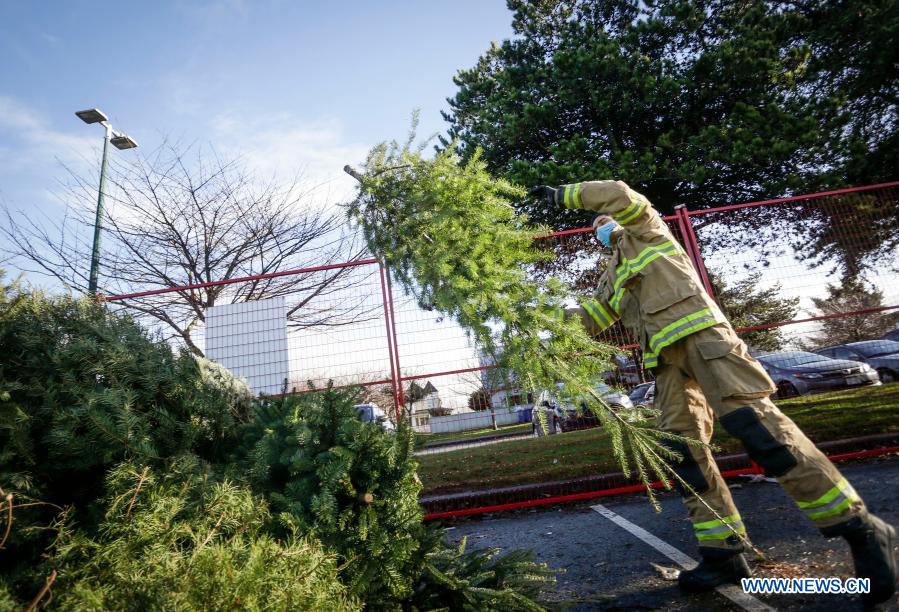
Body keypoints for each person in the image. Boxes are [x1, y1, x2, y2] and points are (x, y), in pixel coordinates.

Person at [531, 180, 896, 603]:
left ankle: (862, 529)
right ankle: (722, 552)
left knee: (761, 432)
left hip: (708, 344)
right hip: (666, 366)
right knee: (683, 454)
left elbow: (619, 193)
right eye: (597, 226)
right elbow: (592, 320)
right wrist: (539, 321)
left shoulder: (648, 231)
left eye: (605, 220)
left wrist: (565, 196)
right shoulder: (612, 274)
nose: (603, 226)